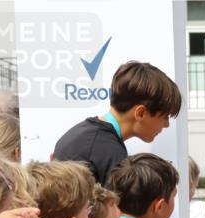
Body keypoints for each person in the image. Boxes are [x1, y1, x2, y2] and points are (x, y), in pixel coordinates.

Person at [53, 61, 182, 184]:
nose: (167, 125)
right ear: (141, 113)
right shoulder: (111, 152)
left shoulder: (81, 133)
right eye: (165, 116)